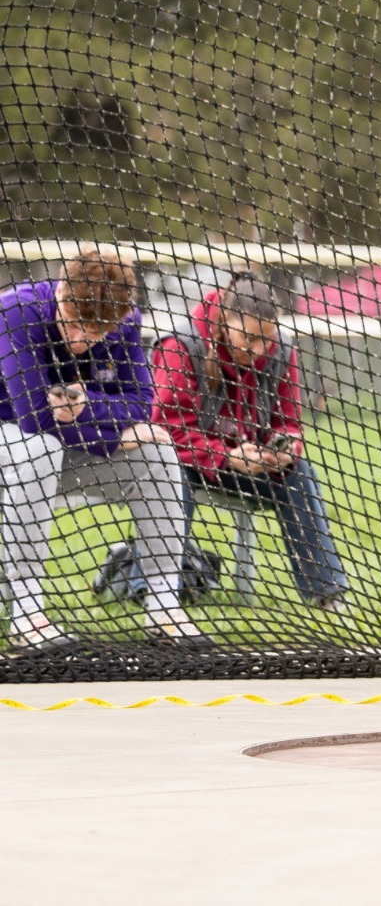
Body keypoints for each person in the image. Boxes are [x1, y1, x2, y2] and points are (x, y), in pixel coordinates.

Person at [0, 248, 203, 650]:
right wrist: (115, 438)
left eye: (94, 333)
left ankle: (164, 606)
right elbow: (35, 419)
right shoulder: (15, 311)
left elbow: (141, 404)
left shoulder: (125, 322)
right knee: (39, 448)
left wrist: (87, 404)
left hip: (64, 446)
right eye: (73, 323)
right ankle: (26, 612)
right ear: (61, 289)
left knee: (159, 456)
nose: (80, 340)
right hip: (18, 444)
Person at [151, 273, 347, 609]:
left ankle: (327, 595)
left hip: (251, 464)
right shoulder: (181, 345)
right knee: (169, 471)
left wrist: (285, 448)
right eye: (250, 338)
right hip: (186, 463)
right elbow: (167, 430)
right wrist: (227, 457)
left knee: (300, 475)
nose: (258, 350)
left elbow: (288, 421)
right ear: (225, 321)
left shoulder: (282, 350)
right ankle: (162, 589)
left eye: (266, 340)